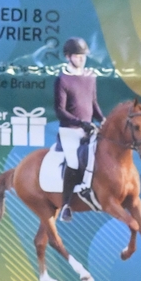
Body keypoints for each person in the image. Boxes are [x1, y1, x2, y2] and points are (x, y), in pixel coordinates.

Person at [53, 37, 104, 223]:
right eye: (77, 56)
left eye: (83, 56)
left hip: (88, 129)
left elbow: (93, 103)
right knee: (74, 163)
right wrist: (80, 122)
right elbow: (60, 110)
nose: (81, 59)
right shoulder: (63, 79)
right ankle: (66, 204)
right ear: (68, 57)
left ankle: (90, 191)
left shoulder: (91, 76)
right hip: (70, 130)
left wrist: (102, 119)